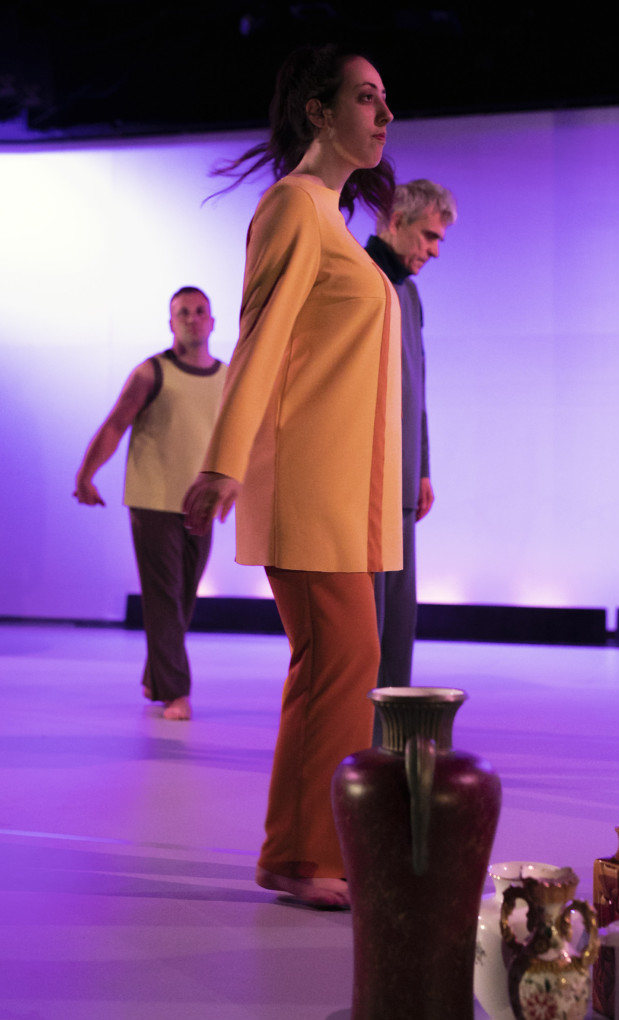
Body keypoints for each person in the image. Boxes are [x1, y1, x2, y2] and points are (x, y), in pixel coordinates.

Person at [183, 45, 401, 908]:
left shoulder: (330, 221)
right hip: (307, 485)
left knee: (339, 662)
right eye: (365, 97)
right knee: (341, 660)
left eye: (387, 100)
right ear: (319, 111)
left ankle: (297, 853)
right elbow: (262, 336)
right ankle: (305, 858)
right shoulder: (292, 207)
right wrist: (223, 461)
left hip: (342, 488)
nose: (384, 115)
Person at [73, 287, 227, 721]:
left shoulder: (228, 376)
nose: (193, 319)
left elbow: (240, 442)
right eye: (184, 313)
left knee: (183, 597)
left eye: (201, 312)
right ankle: (176, 692)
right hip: (153, 501)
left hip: (200, 504)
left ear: (212, 321)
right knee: (163, 597)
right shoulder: (150, 373)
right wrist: (86, 474)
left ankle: (156, 677)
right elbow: (115, 425)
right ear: (171, 322)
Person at [365, 179, 456, 737]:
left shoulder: (409, 293)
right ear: (395, 219)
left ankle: (393, 735)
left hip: (400, 481)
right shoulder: (360, 277)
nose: (435, 249)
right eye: (428, 235)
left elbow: (415, 387)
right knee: (366, 623)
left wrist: (422, 467)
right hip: (365, 481)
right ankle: (363, 737)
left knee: (399, 619)